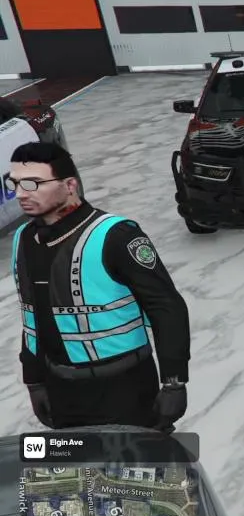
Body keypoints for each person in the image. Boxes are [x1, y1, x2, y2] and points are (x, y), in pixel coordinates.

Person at [8, 142, 190, 430]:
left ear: (70, 185)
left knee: (138, 459)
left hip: (124, 390)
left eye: (32, 184)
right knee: (74, 461)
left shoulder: (116, 235)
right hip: (61, 391)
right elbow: (32, 316)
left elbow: (166, 307)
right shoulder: (24, 238)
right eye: (14, 183)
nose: (20, 193)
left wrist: (174, 382)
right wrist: (34, 380)